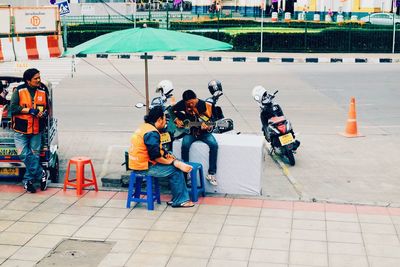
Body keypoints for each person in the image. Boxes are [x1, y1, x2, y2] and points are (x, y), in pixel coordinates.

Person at [128, 106, 195, 208]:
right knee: (175, 170)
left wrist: (166, 154)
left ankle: (177, 198)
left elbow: (155, 149)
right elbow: (155, 156)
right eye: (164, 119)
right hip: (144, 167)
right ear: (159, 120)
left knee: (175, 162)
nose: (165, 122)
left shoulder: (145, 127)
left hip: (136, 163)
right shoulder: (152, 133)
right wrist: (172, 162)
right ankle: (181, 201)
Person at [10, 68, 49, 193]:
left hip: (37, 130)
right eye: (35, 78)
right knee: (23, 154)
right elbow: (13, 108)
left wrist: (44, 113)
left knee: (34, 155)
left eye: (39, 77)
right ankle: (41, 173)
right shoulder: (19, 91)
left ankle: (27, 181)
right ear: (28, 81)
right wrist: (30, 110)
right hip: (20, 129)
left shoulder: (43, 91)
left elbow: (46, 108)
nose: (39, 80)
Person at [172, 90, 219, 186]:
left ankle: (211, 173)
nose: (190, 105)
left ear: (195, 98)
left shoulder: (203, 105)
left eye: (192, 102)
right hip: (190, 132)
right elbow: (170, 111)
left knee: (214, 145)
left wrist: (208, 126)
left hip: (203, 133)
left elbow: (211, 121)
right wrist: (176, 119)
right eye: (187, 103)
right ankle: (186, 173)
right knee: (184, 146)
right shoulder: (182, 104)